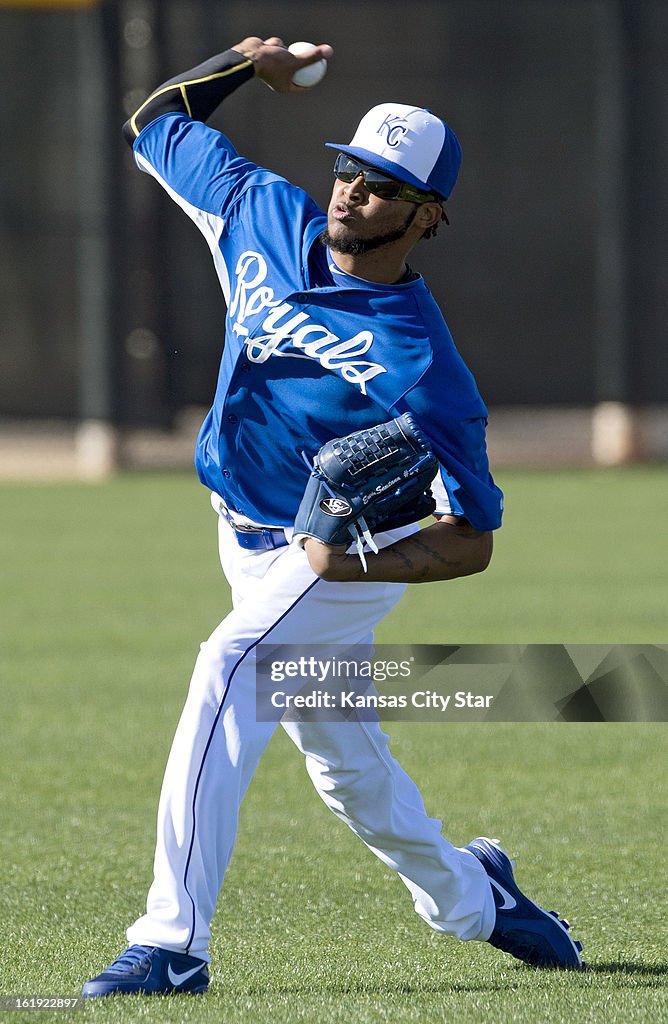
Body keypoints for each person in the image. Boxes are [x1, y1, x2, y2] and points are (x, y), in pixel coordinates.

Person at [82, 36, 582, 997]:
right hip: (240, 529)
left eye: (384, 186)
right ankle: (475, 898)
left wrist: (341, 569)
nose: (353, 193)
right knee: (343, 768)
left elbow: (472, 540)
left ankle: (172, 942)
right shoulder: (259, 213)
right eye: (350, 169)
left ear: (427, 216)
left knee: (230, 666)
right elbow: (156, 125)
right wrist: (241, 62)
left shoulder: (427, 371)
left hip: (339, 561)